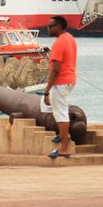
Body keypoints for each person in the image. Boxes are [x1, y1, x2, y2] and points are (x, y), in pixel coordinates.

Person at [43, 16, 77, 158]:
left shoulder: (59, 43)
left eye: (51, 26)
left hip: (61, 82)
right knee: (46, 106)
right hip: (68, 80)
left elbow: (55, 70)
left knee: (61, 114)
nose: (48, 28)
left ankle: (64, 148)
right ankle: (63, 133)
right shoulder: (70, 38)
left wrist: (46, 91)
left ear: (58, 26)